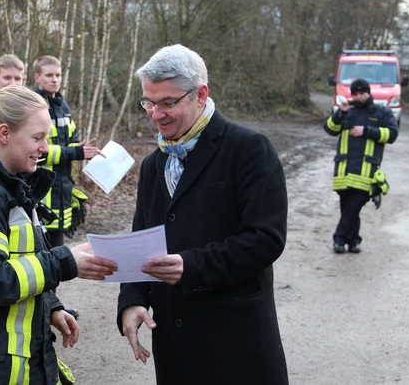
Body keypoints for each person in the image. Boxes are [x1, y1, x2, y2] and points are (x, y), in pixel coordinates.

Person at [117, 44, 289, 384]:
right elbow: (140, 243)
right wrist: (132, 300)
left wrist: (191, 266)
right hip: (175, 346)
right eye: (149, 102)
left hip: (236, 343)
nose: (156, 114)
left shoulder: (249, 149)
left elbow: (266, 239)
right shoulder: (155, 164)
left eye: (168, 102)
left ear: (201, 94)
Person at [0, 85, 117, 384]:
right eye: (37, 137)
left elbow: (26, 260)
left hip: (12, 361)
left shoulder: (12, 185)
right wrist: (64, 262)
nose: (45, 148)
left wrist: (51, 307)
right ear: (4, 134)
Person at [32, 55, 103, 320]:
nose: (54, 79)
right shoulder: (35, 105)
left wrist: (82, 149)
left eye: (58, 75)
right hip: (42, 191)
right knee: (41, 253)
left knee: (57, 252)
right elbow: (39, 151)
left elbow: (71, 141)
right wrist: (74, 151)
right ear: (37, 77)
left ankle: (52, 304)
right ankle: (43, 306)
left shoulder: (63, 106)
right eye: (49, 75)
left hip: (62, 190)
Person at [324, 78, 398, 253]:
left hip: (366, 171)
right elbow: (329, 129)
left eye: (362, 93)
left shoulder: (381, 113)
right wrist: (339, 113)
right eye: (355, 94)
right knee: (348, 208)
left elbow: (392, 134)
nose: (358, 97)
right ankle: (354, 241)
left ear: (369, 93)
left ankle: (339, 239)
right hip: (344, 170)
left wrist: (366, 131)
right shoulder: (346, 112)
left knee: (354, 205)